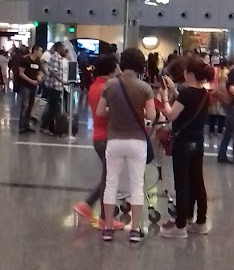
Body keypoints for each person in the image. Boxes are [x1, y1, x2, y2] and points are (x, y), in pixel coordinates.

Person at [98, 48, 156, 243]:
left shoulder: (110, 85)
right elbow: (151, 116)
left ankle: (107, 228)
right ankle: (134, 229)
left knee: (111, 183)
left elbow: (100, 112)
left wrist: (114, 110)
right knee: (137, 185)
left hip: (114, 140)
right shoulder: (145, 87)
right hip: (137, 141)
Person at [159, 55, 214, 238]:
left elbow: (172, 115)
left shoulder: (187, 94)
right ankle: (200, 221)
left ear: (188, 73)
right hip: (198, 143)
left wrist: (165, 99)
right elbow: (188, 106)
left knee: (182, 183)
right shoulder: (204, 93)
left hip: (183, 144)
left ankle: (180, 225)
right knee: (197, 181)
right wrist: (175, 91)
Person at [72, 53, 123, 227]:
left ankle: (88, 206)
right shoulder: (109, 87)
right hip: (109, 137)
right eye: (117, 66)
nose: (119, 69)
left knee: (107, 177)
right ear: (111, 69)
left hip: (98, 137)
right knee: (109, 180)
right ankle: (103, 218)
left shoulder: (95, 86)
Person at [42, 42, 67, 134]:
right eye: (63, 47)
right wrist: (61, 81)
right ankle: (46, 126)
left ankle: (51, 127)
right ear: (59, 48)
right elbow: (53, 72)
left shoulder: (58, 58)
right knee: (53, 108)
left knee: (53, 107)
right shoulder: (56, 58)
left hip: (55, 86)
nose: (64, 50)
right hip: (54, 86)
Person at [17, 44, 42, 134]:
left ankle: (27, 124)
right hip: (25, 85)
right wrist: (31, 80)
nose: (41, 53)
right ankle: (21, 125)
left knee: (31, 105)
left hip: (34, 86)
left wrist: (38, 77)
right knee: (25, 105)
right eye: (40, 51)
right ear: (35, 51)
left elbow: (39, 72)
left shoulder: (38, 61)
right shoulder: (25, 60)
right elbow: (21, 73)